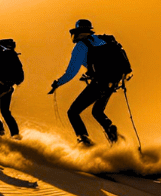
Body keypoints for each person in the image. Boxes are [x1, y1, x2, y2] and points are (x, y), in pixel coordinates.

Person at [49, 18, 124, 146]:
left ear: (77, 31)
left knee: (73, 112)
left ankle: (83, 139)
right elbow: (100, 65)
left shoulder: (81, 46)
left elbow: (71, 73)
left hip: (99, 84)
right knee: (97, 112)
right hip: (113, 82)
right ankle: (110, 130)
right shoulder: (103, 40)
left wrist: (57, 83)